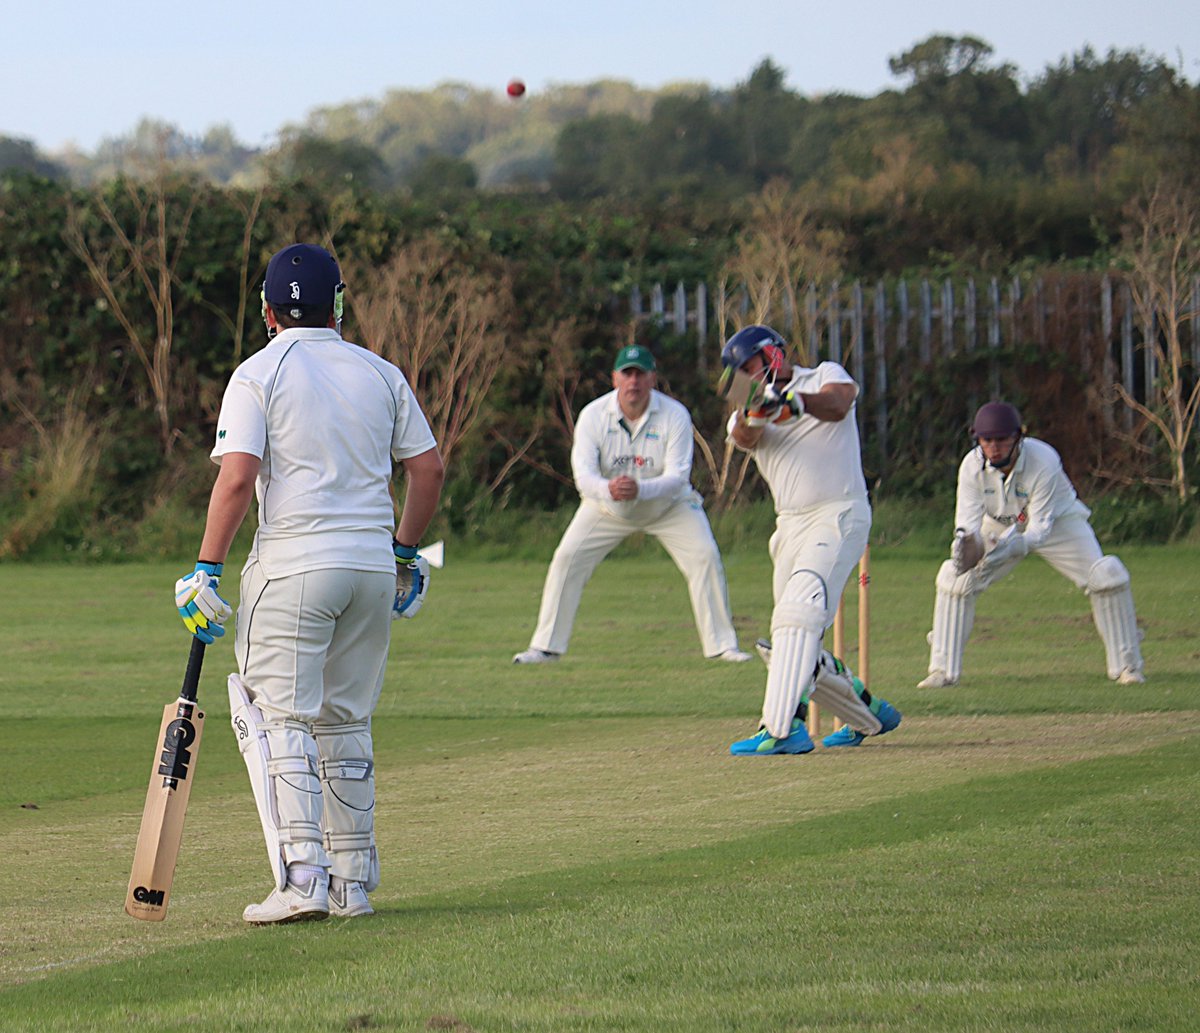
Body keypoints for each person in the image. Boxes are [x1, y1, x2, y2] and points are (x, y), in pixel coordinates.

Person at [173, 243, 445, 924]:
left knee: (277, 717)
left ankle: (301, 879)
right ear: (341, 303)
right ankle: (351, 882)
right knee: (345, 718)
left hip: (294, 564)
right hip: (370, 569)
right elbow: (429, 470)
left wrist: (205, 568)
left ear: (266, 311)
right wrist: (405, 554)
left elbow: (237, 476)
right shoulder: (381, 372)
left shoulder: (258, 372)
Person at [720, 325, 902, 755]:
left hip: (838, 512)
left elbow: (840, 404)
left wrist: (793, 402)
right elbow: (744, 437)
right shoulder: (747, 408)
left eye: (749, 365)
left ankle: (782, 730)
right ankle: (870, 716)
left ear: (774, 356)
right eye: (738, 371)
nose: (745, 376)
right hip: (790, 526)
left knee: (799, 614)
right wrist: (755, 412)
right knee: (791, 639)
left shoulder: (823, 374)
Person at [512, 344, 751, 664]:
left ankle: (723, 646)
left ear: (653, 379)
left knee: (705, 556)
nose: (633, 382)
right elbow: (583, 477)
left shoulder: (675, 414)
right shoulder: (593, 416)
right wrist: (609, 488)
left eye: (640, 375)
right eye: (627, 374)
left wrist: (639, 489)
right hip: (606, 507)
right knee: (567, 558)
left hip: (670, 507)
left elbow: (679, 477)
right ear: (615, 379)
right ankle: (545, 647)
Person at [917, 401, 1145, 688]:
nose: (994, 447)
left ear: (1018, 438)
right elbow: (967, 524)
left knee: (1106, 576)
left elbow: (1039, 529)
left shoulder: (1044, 460)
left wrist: (1014, 546)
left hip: (1059, 522)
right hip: (997, 524)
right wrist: (966, 547)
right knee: (954, 578)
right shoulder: (970, 467)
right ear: (978, 440)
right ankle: (942, 671)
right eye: (987, 440)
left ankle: (1128, 666)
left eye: (1002, 440)